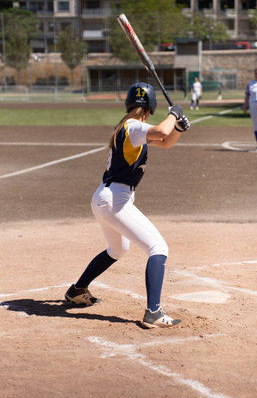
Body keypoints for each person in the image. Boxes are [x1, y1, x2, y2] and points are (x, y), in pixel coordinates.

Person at [65, 82, 190, 329]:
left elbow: (165, 140)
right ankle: (153, 312)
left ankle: (77, 291)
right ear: (151, 105)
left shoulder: (131, 127)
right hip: (115, 200)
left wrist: (177, 128)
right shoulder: (133, 126)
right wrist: (173, 114)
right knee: (158, 247)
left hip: (106, 198)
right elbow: (162, 133)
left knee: (117, 249)